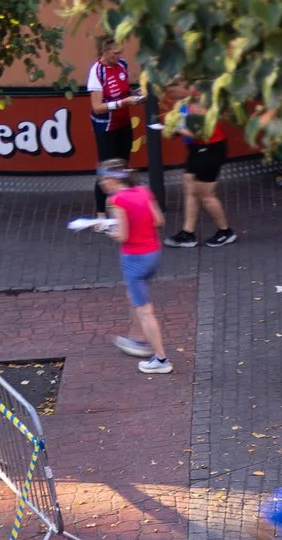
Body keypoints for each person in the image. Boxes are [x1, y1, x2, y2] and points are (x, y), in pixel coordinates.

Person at [102, 167, 171, 374]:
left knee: (145, 311)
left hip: (134, 259)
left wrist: (106, 229)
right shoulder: (143, 191)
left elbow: (122, 236)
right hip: (153, 254)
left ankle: (161, 359)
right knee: (133, 296)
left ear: (115, 180)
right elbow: (158, 220)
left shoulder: (116, 201)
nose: (102, 183)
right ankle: (138, 339)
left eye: (105, 179)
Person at [168, 92, 236, 247]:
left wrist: (176, 128)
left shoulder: (201, 101)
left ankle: (225, 231)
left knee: (206, 195)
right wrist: (173, 130)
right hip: (196, 149)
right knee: (189, 186)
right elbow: (182, 126)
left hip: (210, 149)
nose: (171, 90)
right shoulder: (183, 103)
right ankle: (188, 233)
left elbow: (201, 133)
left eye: (174, 86)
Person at [85, 36, 141, 169]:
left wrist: (136, 94)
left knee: (124, 164)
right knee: (109, 168)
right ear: (105, 51)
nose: (118, 56)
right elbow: (97, 107)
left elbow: (123, 91)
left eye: (120, 53)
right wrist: (121, 103)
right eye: (115, 53)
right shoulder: (97, 71)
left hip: (124, 123)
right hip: (106, 128)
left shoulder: (122, 64)